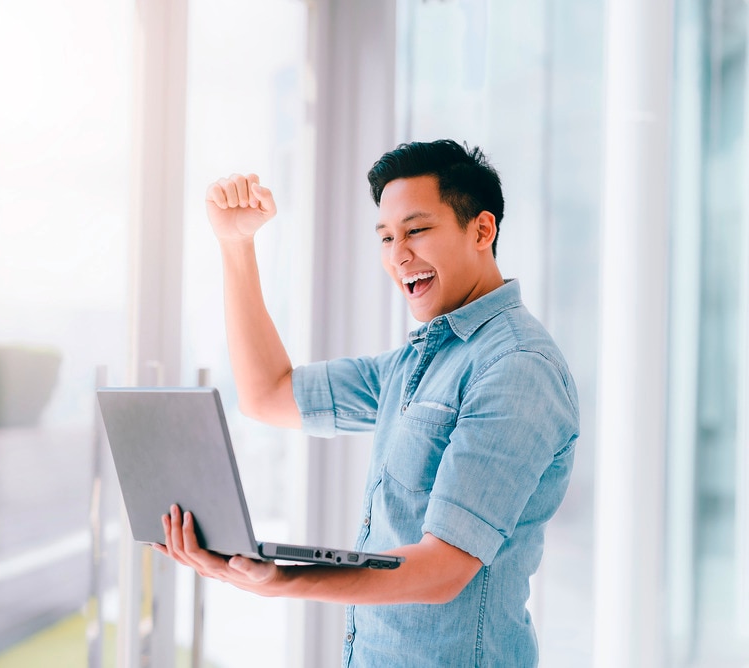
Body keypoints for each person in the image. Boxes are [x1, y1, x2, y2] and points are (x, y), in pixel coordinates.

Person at [154, 139, 579, 667]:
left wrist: (282, 579)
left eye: (417, 230)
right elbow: (269, 394)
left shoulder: (516, 368)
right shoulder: (414, 363)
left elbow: (444, 568)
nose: (399, 255)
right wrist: (236, 245)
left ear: (482, 230)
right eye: (385, 237)